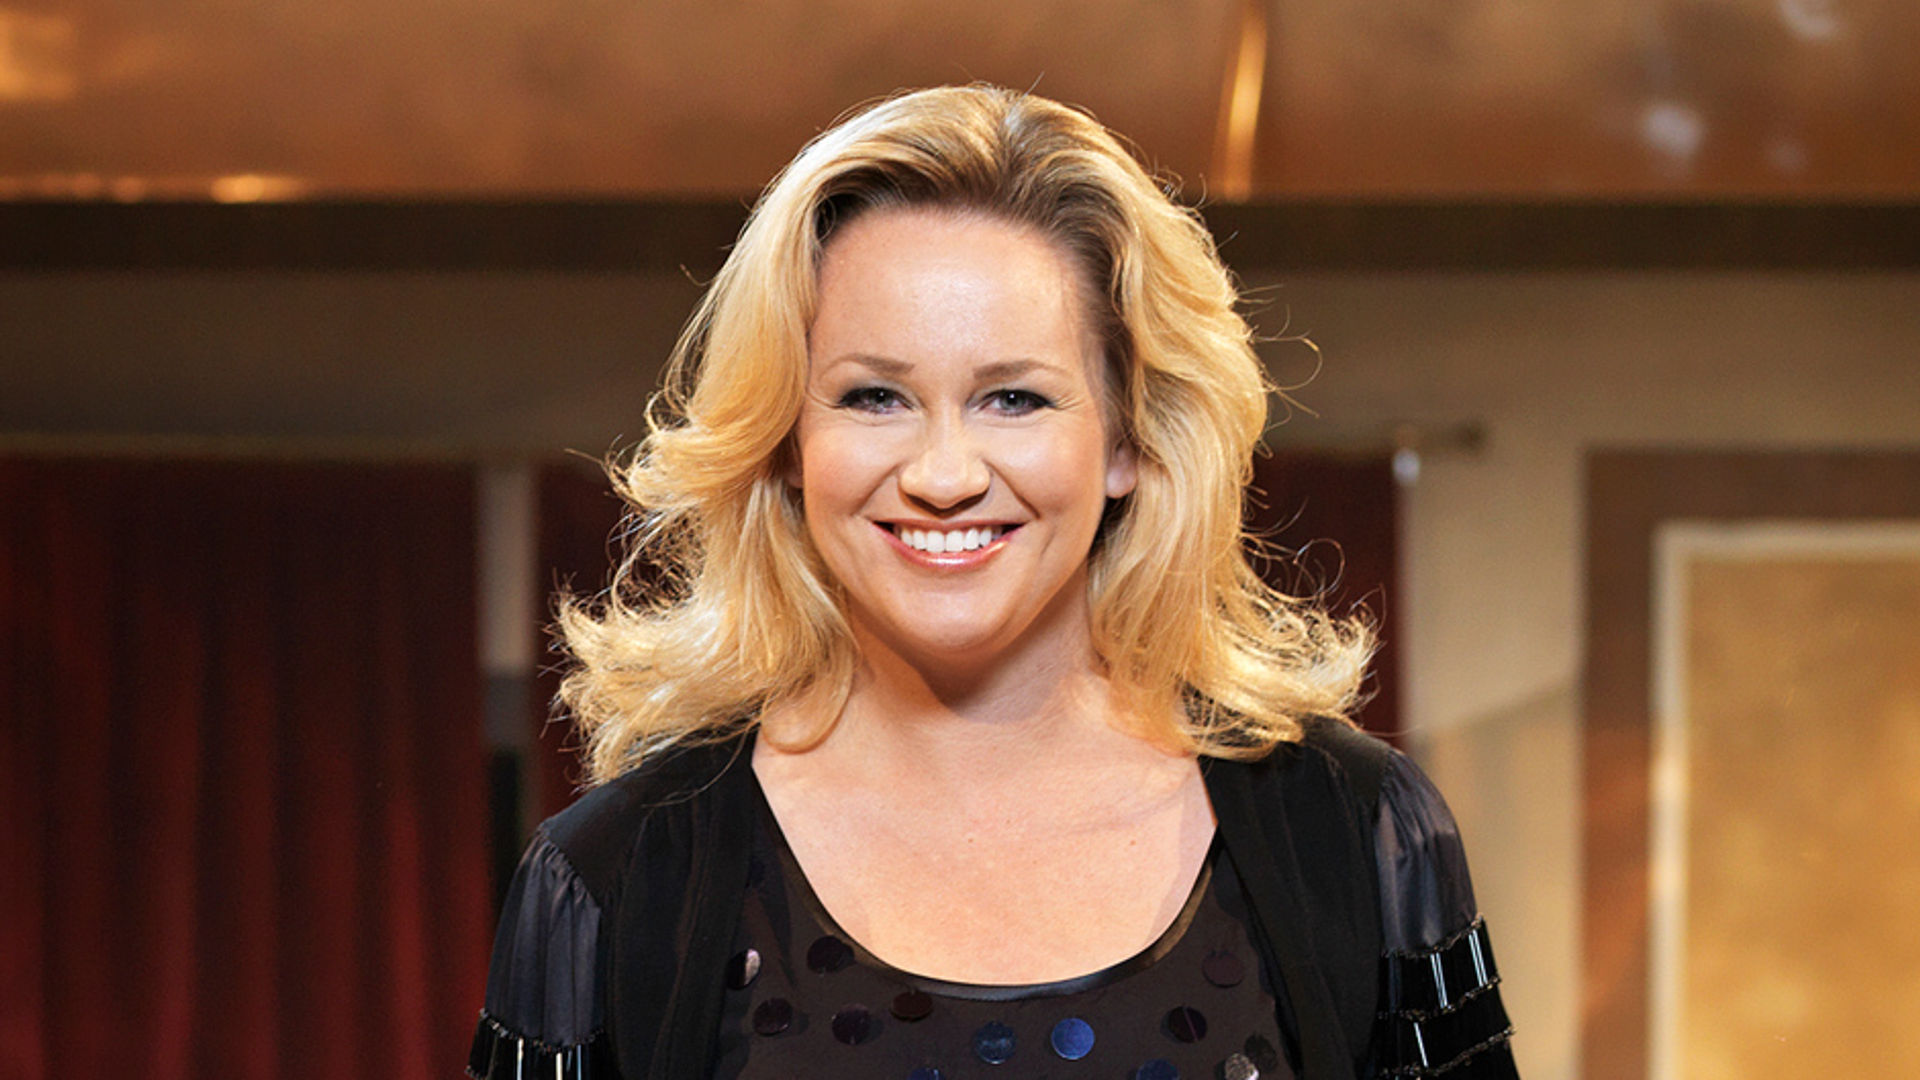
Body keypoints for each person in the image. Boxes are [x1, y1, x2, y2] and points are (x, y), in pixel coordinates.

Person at [469, 85, 1518, 1080]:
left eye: (1014, 399)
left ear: (1127, 441)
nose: (943, 476)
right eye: (874, 397)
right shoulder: (614, 879)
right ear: (788, 442)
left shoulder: (1355, 834)